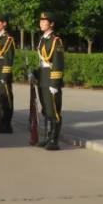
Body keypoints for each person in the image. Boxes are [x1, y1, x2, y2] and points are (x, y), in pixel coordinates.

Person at [35, 11, 65, 151]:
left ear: (51, 24)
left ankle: (54, 139)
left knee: (54, 110)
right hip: (43, 78)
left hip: (51, 79)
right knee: (46, 110)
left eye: (44, 21)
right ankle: (48, 137)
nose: (41, 23)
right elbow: (42, 62)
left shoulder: (56, 40)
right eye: (40, 21)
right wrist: (35, 73)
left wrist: (55, 82)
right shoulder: (43, 39)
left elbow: (58, 63)